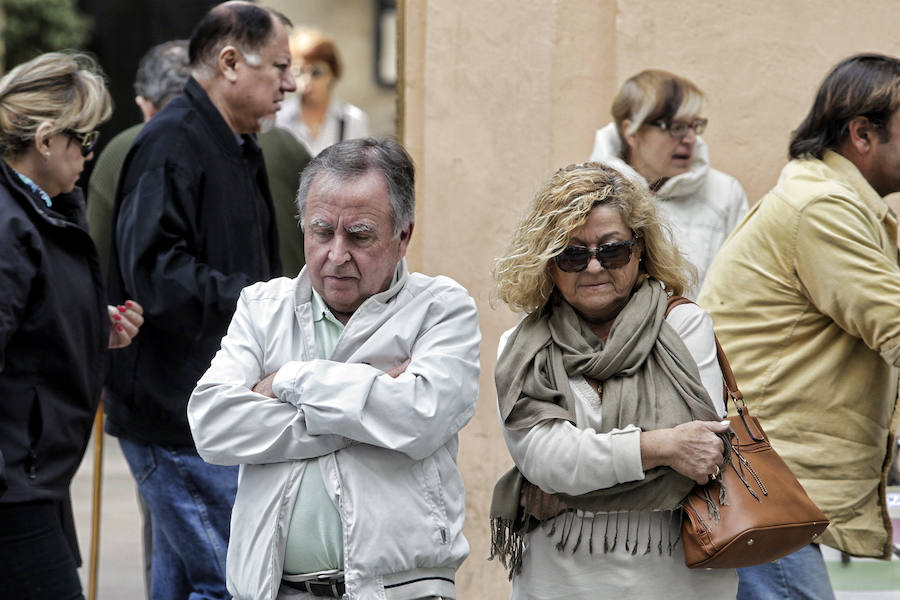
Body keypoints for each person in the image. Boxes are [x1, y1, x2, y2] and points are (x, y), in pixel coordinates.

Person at [188, 137, 481, 600]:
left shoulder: (441, 309)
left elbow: (421, 418)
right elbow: (212, 425)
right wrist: (372, 404)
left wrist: (289, 379)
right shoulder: (263, 307)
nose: (337, 254)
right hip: (274, 590)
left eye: (360, 235)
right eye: (322, 231)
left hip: (402, 591)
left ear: (403, 236)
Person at [104, 3, 295, 598]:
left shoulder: (236, 141)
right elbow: (155, 274)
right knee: (237, 580)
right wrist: (263, 299)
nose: (291, 83)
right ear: (231, 62)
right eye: (281, 67)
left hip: (211, 408)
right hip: (176, 416)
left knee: (187, 582)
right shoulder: (172, 142)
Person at [699, 53, 900, 600]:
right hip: (767, 491)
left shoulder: (848, 208)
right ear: (862, 133)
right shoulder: (822, 209)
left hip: (771, 487)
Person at [488, 162, 736, 598]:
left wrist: (569, 495)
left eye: (613, 250)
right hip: (558, 583)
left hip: (676, 583)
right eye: (573, 254)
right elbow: (548, 461)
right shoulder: (522, 348)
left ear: (640, 250)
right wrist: (661, 446)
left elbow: (697, 462)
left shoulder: (685, 327)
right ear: (548, 262)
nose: (595, 267)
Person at [0, 51, 143, 600]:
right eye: (83, 140)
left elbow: (30, 315)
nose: (90, 153)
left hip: (34, 473)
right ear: (44, 140)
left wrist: (91, 325)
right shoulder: (13, 220)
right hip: (16, 480)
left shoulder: (46, 206)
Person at [88, 39, 312, 279]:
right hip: (289, 307)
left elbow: (96, 262)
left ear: (145, 106)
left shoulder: (124, 149)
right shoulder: (281, 141)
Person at [588, 69, 748, 297]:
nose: (690, 139)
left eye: (694, 125)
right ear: (631, 133)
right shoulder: (587, 193)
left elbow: (740, 288)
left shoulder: (724, 193)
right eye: (675, 127)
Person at [276, 28, 371, 156]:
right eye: (298, 72)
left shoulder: (353, 120)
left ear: (332, 73)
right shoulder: (279, 117)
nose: (307, 80)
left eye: (317, 72)